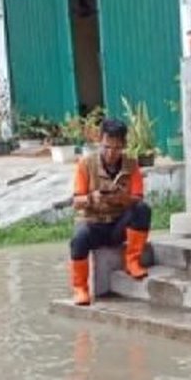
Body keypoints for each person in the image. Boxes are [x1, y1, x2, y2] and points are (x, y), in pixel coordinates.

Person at [68, 118, 152, 305]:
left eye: (116, 148)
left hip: (119, 225)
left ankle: (132, 261)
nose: (111, 153)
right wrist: (91, 198)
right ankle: (80, 288)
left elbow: (138, 197)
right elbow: (76, 201)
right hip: (94, 223)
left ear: (123, 145)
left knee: (142, 210)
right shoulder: (85, 164)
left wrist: (124, 198)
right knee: (79, 238)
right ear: (100, 141)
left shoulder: (131, 165)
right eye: (107, 147)